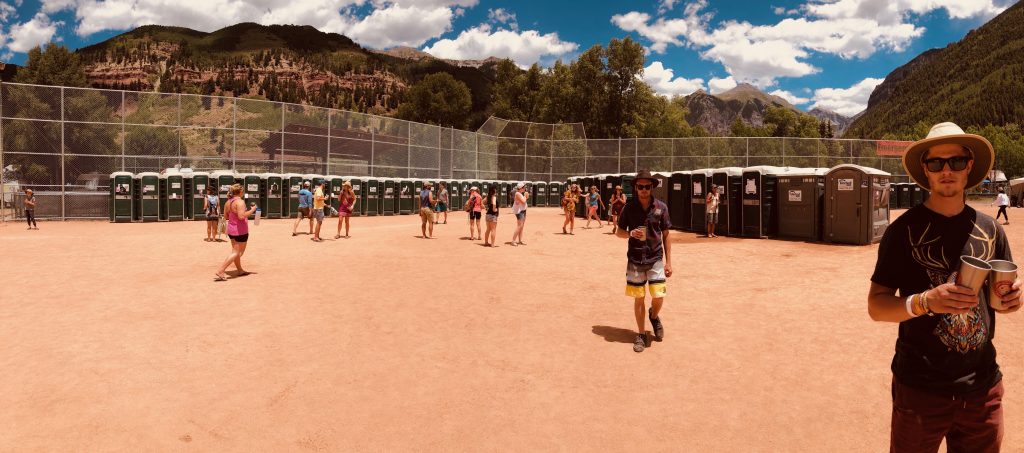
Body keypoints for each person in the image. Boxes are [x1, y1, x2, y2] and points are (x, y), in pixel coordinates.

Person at [867, 122, 1022, 452]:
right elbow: (877, 306)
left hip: (983, 389)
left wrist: (1011, 300)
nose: (946, 170)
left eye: (955, 161)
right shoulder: (903, 231)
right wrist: (925, 302)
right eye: (936, 163)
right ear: (926, 170)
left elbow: (998, 299)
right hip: (920, 390)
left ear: (969, 166)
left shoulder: (991, 229)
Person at [615, 170, 673, 353]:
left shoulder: (661, 207)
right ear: (635, 187)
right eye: (640, 186)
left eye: (647, 186)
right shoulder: (629, 208)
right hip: (635, 259)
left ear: (652, 187)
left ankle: (653, 316)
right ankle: (640, 334)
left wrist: (669, 262)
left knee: (659, 295)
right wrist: (630, 233)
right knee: (639, 297)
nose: (644, 190)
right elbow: (619, 232)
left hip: (655, 258)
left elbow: (666, 234)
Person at [215, 184, 258, 281]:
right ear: (240, 192)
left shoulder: (228, 202)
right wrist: (252, 210)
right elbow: (242, 216)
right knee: (238, 253)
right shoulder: (240, 202)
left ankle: (240, 270)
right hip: (240, 230)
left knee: (236, 251)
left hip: (231, 229)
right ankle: (221, 270)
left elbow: (226, 216)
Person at [510, 182, 529, 246]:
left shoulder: (521, 193)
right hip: (519, 211)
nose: (525, 188)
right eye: (524, 187)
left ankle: (520, 240)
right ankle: (513, 241)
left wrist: (526, 195)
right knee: (519, 226)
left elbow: (526, 198)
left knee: (522, 226)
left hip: (523, 210)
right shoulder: (517, 194)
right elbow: (523, 201)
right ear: (521, 188)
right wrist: (525, 196)